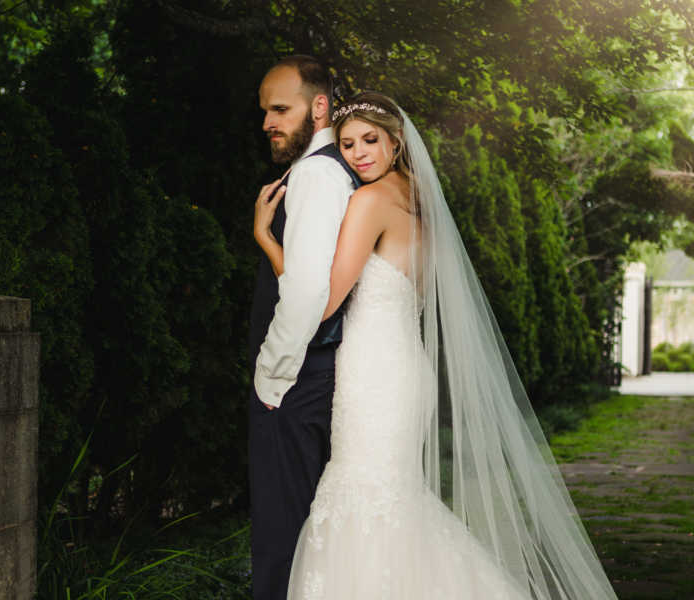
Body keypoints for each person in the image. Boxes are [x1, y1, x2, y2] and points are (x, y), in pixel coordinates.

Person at [257, 92, 618, 599]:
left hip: (376, 377)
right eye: (347, 145)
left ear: (396, 141)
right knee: (394, 505)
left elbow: (320, 304)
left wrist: (268, 240)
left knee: (363, 503)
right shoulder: (418, 201)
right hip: (404, 370)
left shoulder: (371, 200)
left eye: (369, 140)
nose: (359, 153)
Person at [247, 55, 360, 600]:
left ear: (319, 107)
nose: (269, 122)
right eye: (266, 111)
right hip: (312, 377)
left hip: (294, 383)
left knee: (281, 536)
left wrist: (270, 375)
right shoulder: (338, 168)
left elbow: (308, 291)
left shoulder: (316, 173)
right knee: (300, 533)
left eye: (281, 110)